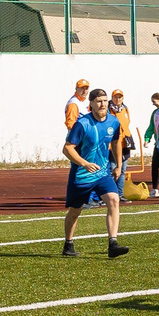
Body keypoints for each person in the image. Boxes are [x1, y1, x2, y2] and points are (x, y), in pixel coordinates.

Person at [61, 88, 129, 258]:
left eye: (105, 101)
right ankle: (68, 243)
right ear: (90, 104)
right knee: (75, 211)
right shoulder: (82, 124)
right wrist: (84, 163)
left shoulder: (113, 122)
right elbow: (67, 148)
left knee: (114, 199)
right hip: (82, 175)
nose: (103, 104)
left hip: (103, 173)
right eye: (99, 101)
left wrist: (119, 165)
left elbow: (116, 143)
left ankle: (112, 243)